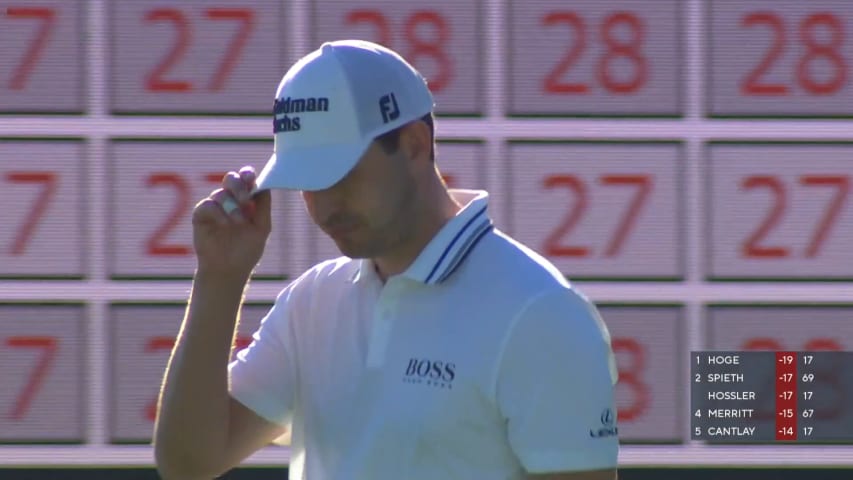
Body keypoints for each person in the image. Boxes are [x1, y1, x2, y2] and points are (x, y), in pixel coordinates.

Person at [153, 39, 620, 480]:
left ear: (416, 144)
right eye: (308, 182)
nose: (325, 204)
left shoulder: (541, 311)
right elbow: (189, 463)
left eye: (342, 174)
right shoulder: (311, 302)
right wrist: (221, 277)